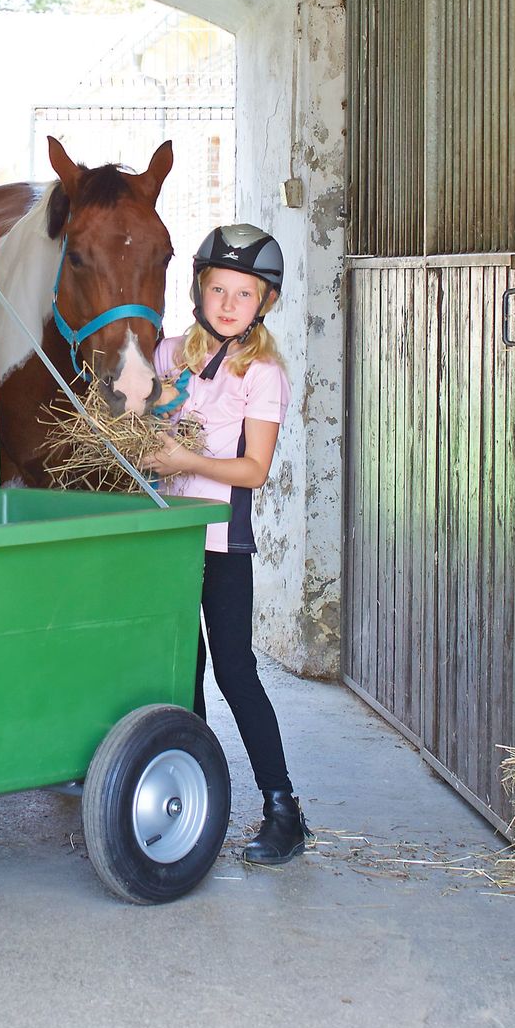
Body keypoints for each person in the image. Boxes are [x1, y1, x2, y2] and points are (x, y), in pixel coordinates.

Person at [145, 223, 310, 866]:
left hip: (221, 541)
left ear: (265, 302)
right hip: (165, 536)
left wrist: (184, 459)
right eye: (218, 289)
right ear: (199, 290)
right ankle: (193, 798)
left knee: (234, 670)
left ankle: (283, 809)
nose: (228, 304)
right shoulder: (168, 353)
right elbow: (123, 404)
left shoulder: (261, 373)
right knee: (177, 670)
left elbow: (254, 470)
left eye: (244, 293)